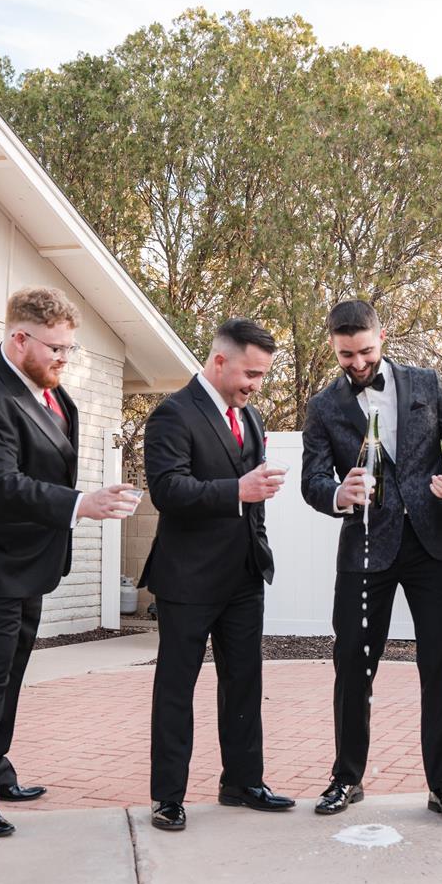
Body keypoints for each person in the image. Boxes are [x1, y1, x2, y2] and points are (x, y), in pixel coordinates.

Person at [0, 287, 139, 837]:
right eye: (56, 349)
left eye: (71, 350)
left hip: (22, 560)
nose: (64, 360)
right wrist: (80, 506)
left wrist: (80, 501)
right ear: (19, 339)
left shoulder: (49, 390)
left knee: (9, 674)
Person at [300, 300, 442, 821]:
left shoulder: (426, 383)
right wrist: (339, 491)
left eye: (364, 352)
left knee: (441, 666)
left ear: (382, 338)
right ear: (333, 348)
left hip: (433, 546)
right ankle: (346, 778)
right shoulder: (323, 407)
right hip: (363, 550)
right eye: (344, 355)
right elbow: (312, 480)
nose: (356, 363)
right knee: (353, 666)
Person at [140, 318, 292, 831]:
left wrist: (259, 540)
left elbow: (256, 491)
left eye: (263, 376)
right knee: (177, 687)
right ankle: (168, 796)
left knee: (245, 682)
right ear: (220, 360)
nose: (256, 385)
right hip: (187, 579)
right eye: (251, 373)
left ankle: (243, 782)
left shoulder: (250, 417)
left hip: (244, 575)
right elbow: (167, 491)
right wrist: (236, 491)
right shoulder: (172, 414)